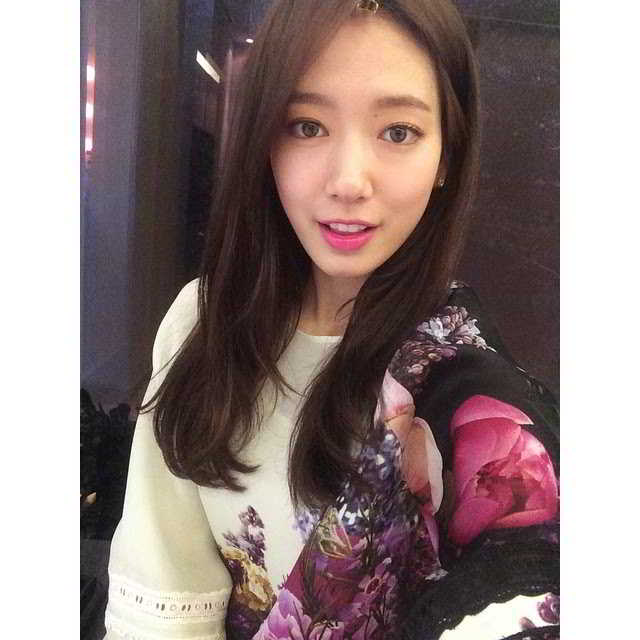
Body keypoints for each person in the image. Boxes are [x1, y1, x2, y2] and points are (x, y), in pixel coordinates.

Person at [104, 1, 559, 638]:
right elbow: (164, 600)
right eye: (307, 126)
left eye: (397, 132)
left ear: (446, 158)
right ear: (265, 141)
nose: (348, 181)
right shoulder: (205, 322)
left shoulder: (474, 401)